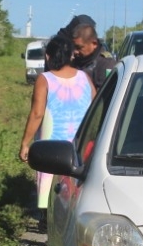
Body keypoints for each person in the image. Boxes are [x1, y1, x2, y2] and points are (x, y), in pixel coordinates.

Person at [19, 35, 95, 209]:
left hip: (51, 148)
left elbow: (37, 114)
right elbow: (95, 108)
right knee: (76, 189)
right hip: (79, 146)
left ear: (48, 56)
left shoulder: (45, 79)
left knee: (49, 187)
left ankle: (46, 217)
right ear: (71, 56)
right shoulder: (85, 78)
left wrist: (25, 143)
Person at [56, 14, 117, 91]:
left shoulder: (106, 64)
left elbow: (103, 97)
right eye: (73, 47)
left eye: (79, 47)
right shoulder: (74, 61)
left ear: (94, 44)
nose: (75, 51)